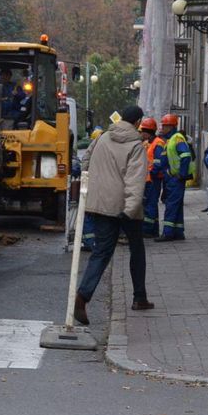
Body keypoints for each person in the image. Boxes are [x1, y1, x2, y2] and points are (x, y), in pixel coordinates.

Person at [73, 105, 151, 325]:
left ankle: (82, 296)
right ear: (137, 122)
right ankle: (139, 298)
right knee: (137, 249)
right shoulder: (136, 145)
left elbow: (86, 162)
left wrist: (95, 187)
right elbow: (135, 180)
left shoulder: (103, 137)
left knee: (101, 252)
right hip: (125, 206)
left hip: (100, 203)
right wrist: (130, 209)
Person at [153, 113, 193, 242]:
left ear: (170, 127)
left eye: (164, 126)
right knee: (176, 205)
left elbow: (186, 156)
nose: (162, 129)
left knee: (171, 205)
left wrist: (181, 174)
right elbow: (164, 159)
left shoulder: (177, 139)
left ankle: (168, 233)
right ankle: (178, 232)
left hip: (177, 179)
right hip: (173, 178)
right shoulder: (170, 140)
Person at [139, 117, 163, 237]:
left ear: (147, 132)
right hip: (149, 179)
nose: (140, 134)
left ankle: (148, 230)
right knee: (151, 204)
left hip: (153, 179)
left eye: (142, 131)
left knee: (150, 205)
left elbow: (158, 162)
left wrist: (152, 174)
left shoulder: (157, 143)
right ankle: (154, 229)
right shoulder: (149, 143)